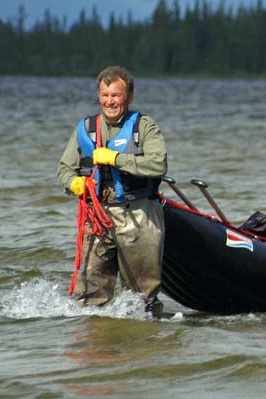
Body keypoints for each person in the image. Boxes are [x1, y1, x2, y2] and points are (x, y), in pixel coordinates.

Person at [58, 66, 167, 316]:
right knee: (87, 299)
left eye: (116, 95)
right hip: (96, 219)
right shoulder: (85, 128)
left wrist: (116, 159)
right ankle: (98, 349)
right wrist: (74, 182)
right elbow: (64, 168)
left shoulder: (144, 126)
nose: (110, 101)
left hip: (138, 216)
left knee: (141, 299)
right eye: (105, 95)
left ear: (128, 96)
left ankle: (144, 347)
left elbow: (158, 164)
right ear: (99, 95)